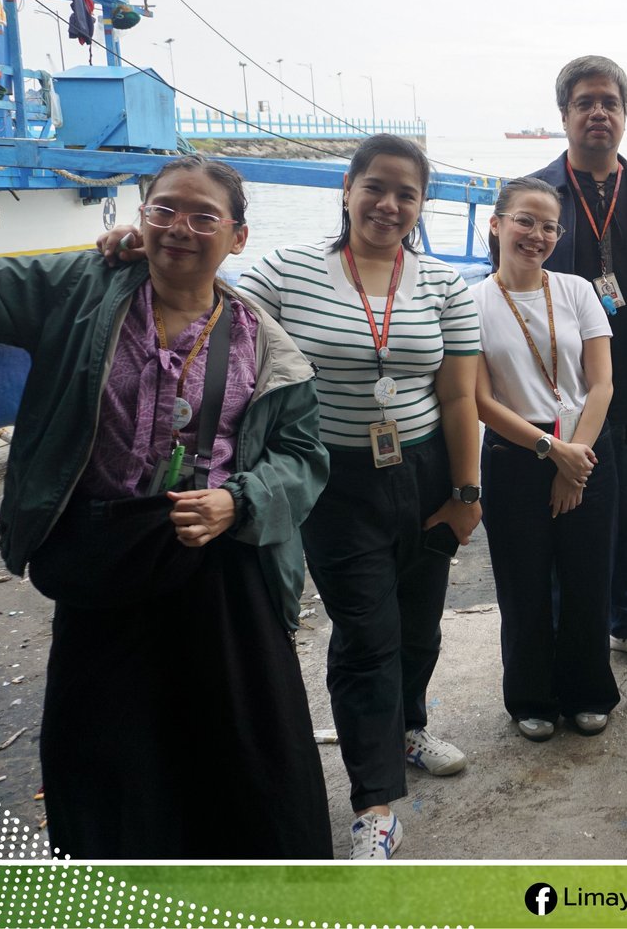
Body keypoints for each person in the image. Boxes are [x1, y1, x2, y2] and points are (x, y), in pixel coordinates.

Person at [98, 134, 483, 860]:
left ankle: (409, 726)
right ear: (348, 190)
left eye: (406, 193)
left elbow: (460, 396)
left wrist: (467, 494)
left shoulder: (443, 283)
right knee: (367, 632)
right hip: (333, 477)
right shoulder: (287, 271)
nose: (388, 204)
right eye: (375, 187)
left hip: (425, 470)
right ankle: (375, 803)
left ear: (421, 204)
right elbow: (207, 304)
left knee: (419, 623)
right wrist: (141, 249)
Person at [0, 156, 331, 859]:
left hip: (221, 568)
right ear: (140, 219)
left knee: (245, 752)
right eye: (164, 209)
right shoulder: (80, 289)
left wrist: (238, 501)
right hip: (104, 566)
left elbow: (303, 457)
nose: (180, 228)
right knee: (106, 756)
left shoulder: (263, 341)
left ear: (237, 237)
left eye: (204, 216)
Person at [527, 55, 627, 671]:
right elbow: (506, 294)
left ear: (624, 114)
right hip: (556, 394)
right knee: (561, 513)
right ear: (564, 114)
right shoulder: (536, 197)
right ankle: (562, 629)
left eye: (609, 102)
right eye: (585, 102)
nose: (598, 112)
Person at [470, 176, 620, 739]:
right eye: (524, 221)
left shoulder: (577, 291)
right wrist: (552, 451)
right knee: (523, 584)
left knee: (587, 579)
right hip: (516, 452)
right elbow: (481, 401)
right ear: (496, 224)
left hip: (587, 444)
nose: (536, 235)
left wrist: (574, 462)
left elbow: (601, 384)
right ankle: (530, 696)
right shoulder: (473, 301)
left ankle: (588, 690)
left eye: (549, 226)